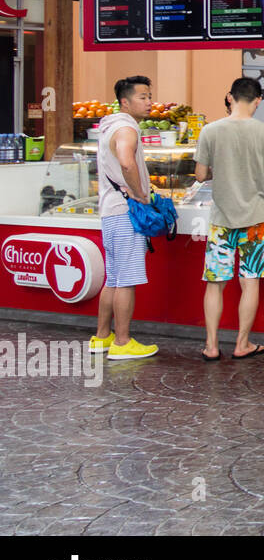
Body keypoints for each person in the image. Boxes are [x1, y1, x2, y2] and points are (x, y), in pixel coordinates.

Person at [195, 77, 264, 361]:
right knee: (250, 281)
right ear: (258, 100)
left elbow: (199, 175)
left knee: (215, 282)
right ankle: (242, 344)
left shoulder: (209, 130)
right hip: (255, 218)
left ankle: (211, 346)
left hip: (221, 218)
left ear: (230, 97)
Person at [91, 76, 160, 361]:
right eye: (142, 97)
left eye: (149, 96)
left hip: (110, 211)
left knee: (114, 277)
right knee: (126, 280)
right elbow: (126, 160)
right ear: (125, 102)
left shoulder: (108, 124)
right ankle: (122, 342)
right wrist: (140, 193)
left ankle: (102, 336)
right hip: (125, 212)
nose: (149, 101)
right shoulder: (126, 127)